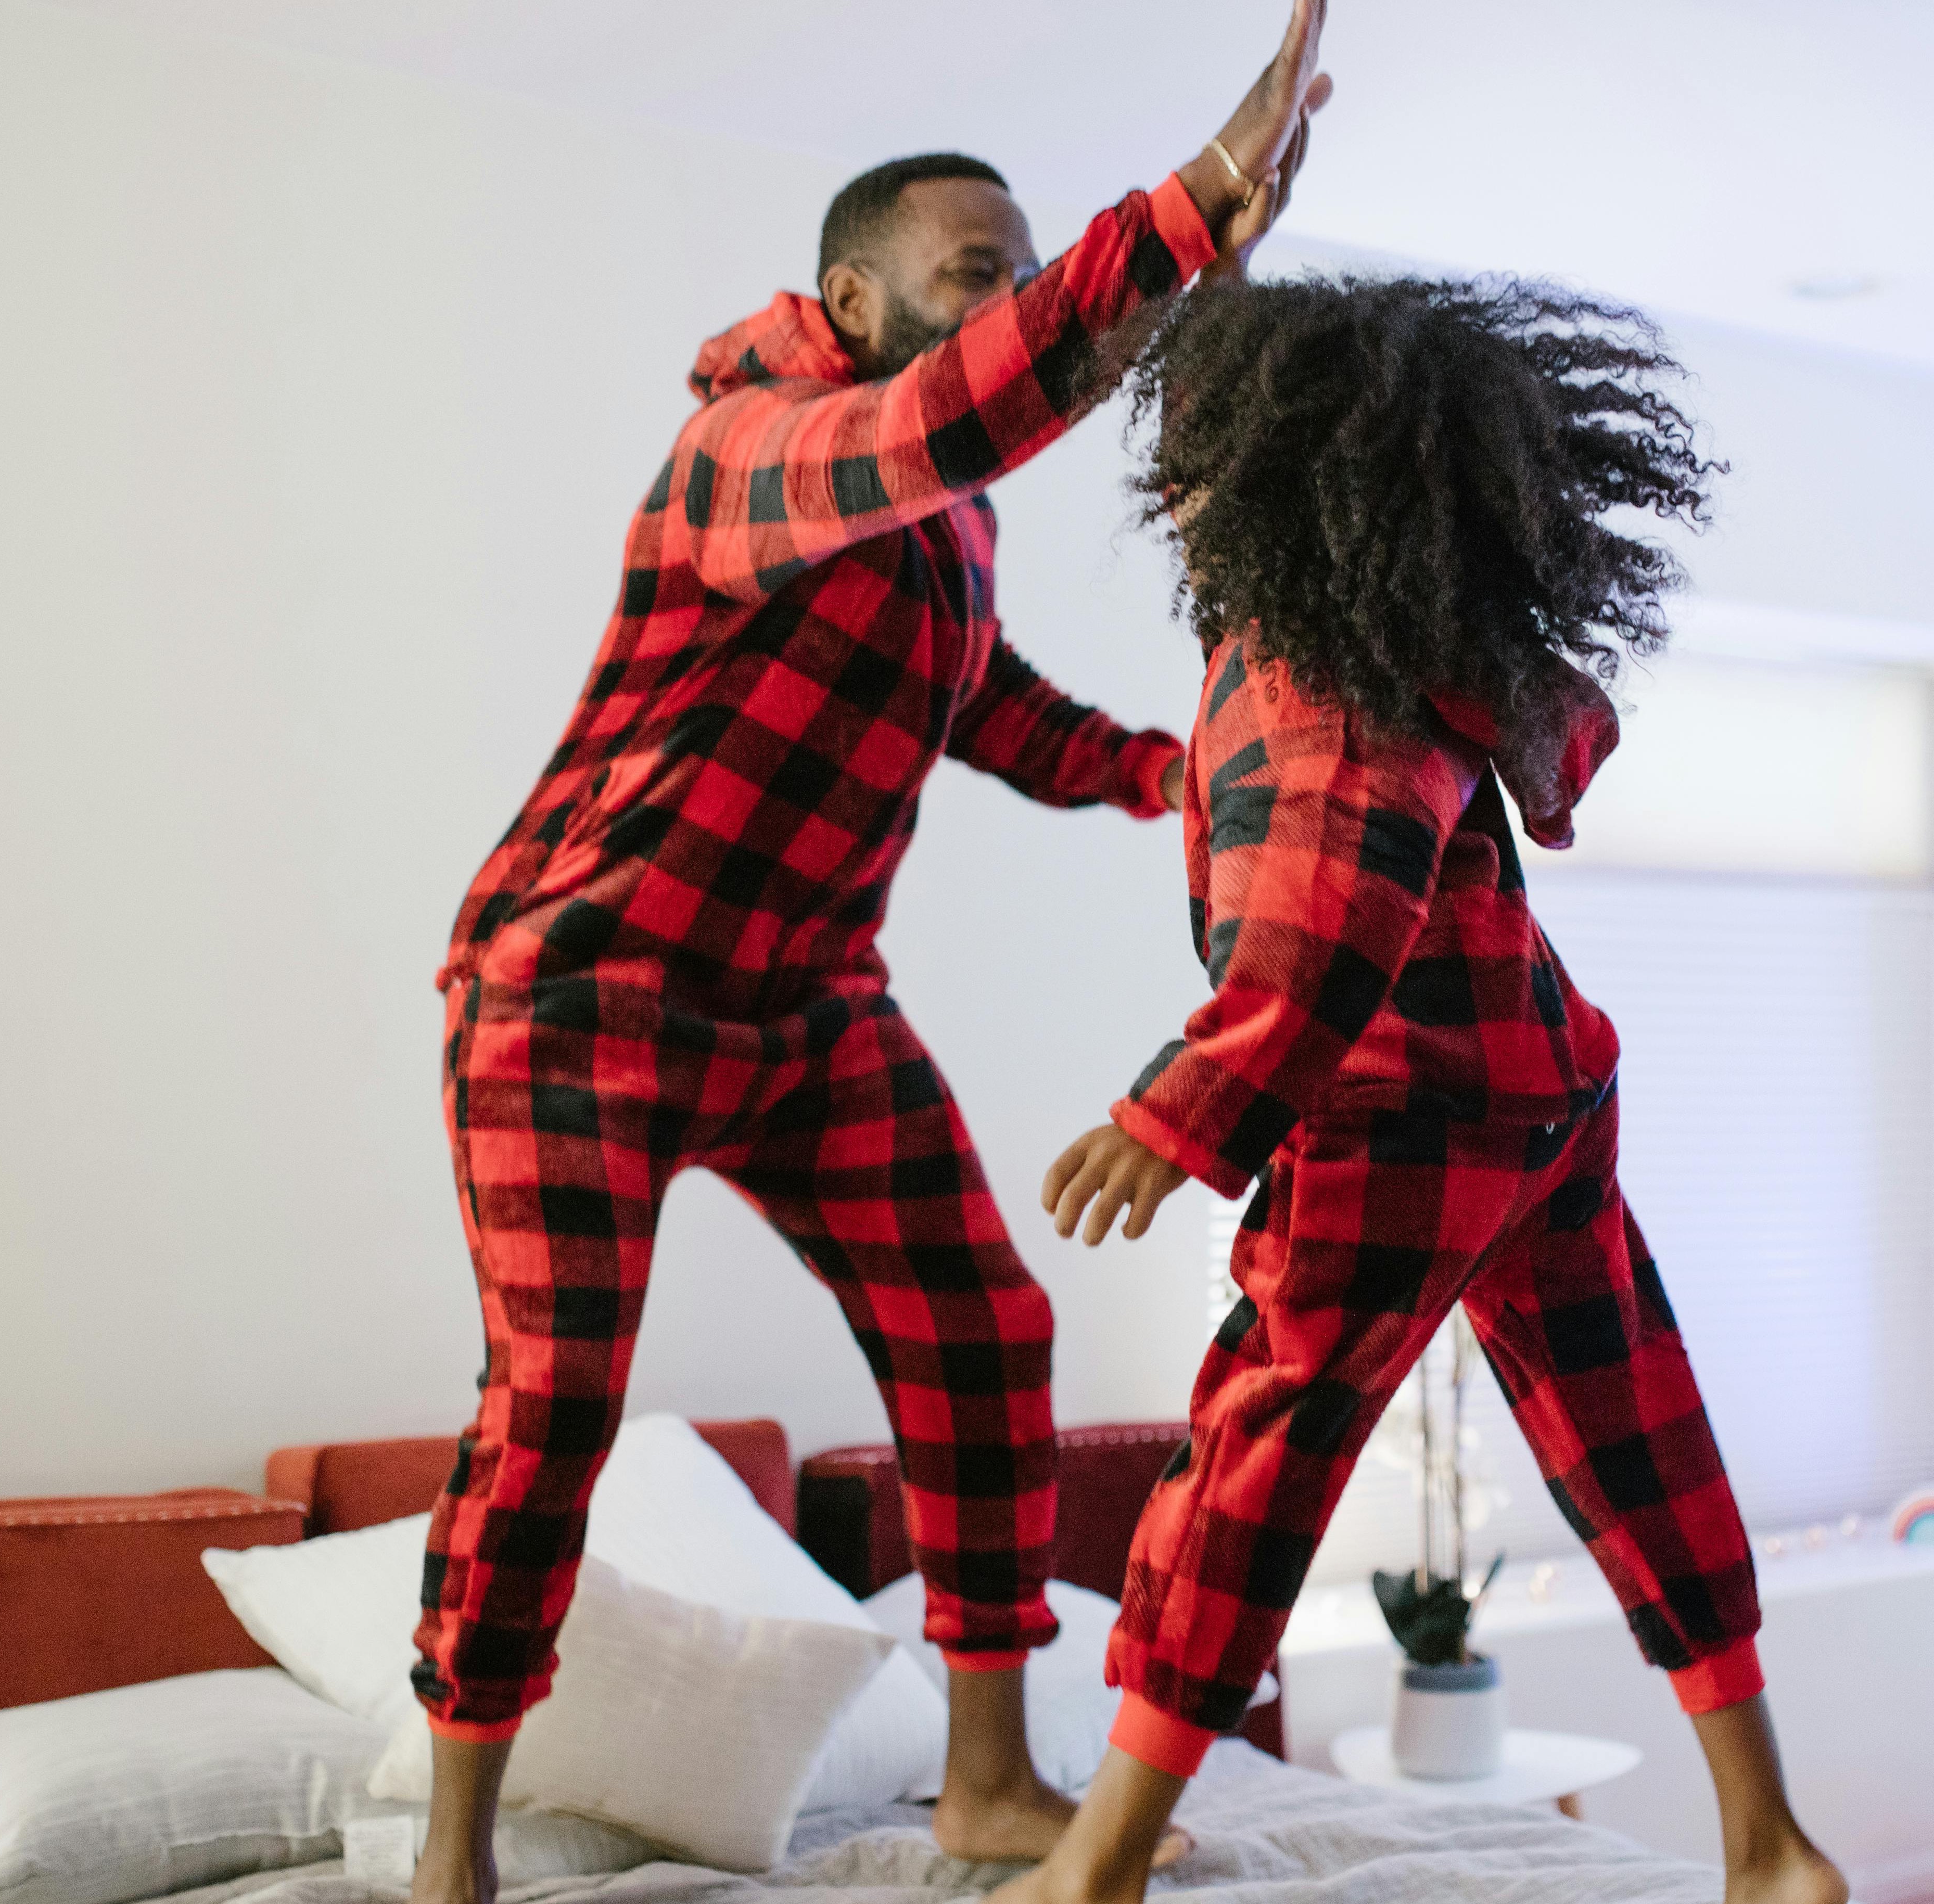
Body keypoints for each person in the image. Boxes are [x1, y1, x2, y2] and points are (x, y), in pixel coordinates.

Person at [406, 7, 1335, 1898]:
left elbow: (991, 706)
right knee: (559, 1393)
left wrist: (1194, 775)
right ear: (855, 291)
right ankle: (453, 1849)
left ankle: (987, 1783)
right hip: (577, 991)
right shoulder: (753, 453)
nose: (1000, 298)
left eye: (1018, 265)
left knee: (987, 1332)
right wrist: (1184, 206)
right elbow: (947, 412)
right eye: (968, 271)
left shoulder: (942, 529)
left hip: (803, 1004)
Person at [1019, 277, 1851, 1904]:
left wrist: (1172, 1112)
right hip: (1540, 1086)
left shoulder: (1306, 673)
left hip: (1400, 1108)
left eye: (1193, 471)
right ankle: (1769, 1838)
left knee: (1256, 1449)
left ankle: (1097, 1863)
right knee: (1634, 1432)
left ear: (1265, 484)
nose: (1172, 502)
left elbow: (1332, 905)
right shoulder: (1408, 640)